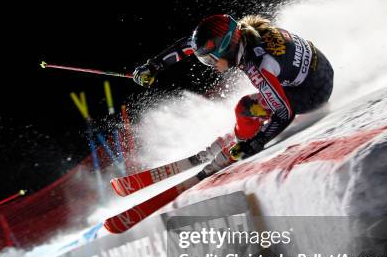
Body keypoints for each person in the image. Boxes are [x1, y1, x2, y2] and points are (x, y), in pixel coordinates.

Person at [133, 14, 334, 174]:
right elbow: (189, 46)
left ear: (227, 48)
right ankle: (245, 132)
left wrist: (254, 144)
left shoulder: (258, 66)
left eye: (211, 60)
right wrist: (154, 66)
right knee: (263, 97)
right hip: (319, 70)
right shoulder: (245, 36)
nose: (211, 66)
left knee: (244, 109)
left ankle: (243, 137)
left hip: (313, 93)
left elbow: (284, 113)